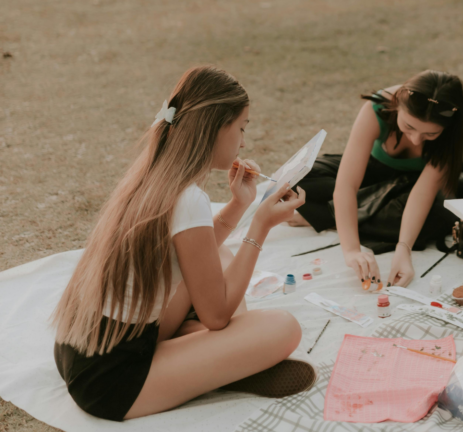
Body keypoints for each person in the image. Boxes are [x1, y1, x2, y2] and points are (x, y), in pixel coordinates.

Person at [51, 66, 312, 421]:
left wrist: (239, 205)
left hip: (80, 344)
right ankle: (228, 362)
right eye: (242, 128)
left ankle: (218, 357)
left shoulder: (155, 173)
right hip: (113, 379)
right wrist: (261, 226)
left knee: (220, 253)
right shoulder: (189, 198)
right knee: (283, 327)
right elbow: (217, 317)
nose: (243, 142)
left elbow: (190, 250)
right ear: (216, 128)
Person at [291, 70, 463, 288]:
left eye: (430, 134)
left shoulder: (455, 124)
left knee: (440, 213)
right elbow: (347, 184)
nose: (415, 140)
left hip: (412, 185)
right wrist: (351, 250)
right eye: (409, 127)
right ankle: (357, 212)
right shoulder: (376, 107)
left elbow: (424, 192)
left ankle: (329, 214)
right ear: (397, 104)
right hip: (374, 172)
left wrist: (404, 249)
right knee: (299, 175)